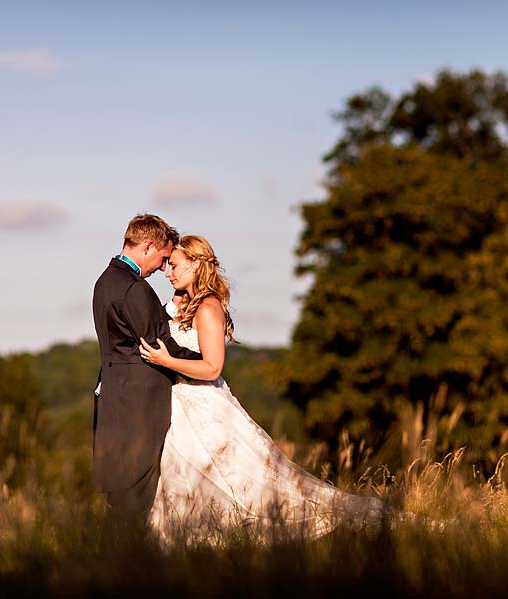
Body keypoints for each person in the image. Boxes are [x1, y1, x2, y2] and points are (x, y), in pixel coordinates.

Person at [139, 235, 383, 542]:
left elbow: (213, 367)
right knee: (187, 477)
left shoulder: (208, 308)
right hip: (180, 406)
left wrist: (166, 361)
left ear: (196, 263)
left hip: (206, 404)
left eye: (174, 265)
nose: (167, 272)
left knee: (243, 480)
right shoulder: (181, 303)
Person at [92, 214, 205, 527]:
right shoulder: (134, 289)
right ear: (149, 246)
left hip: (116, 397)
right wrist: (204, 362)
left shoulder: (105, 281)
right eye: (164, 258)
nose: (163, 268)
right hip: (140, 406)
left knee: (120, 503)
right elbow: (160, 346)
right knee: (136, 505)